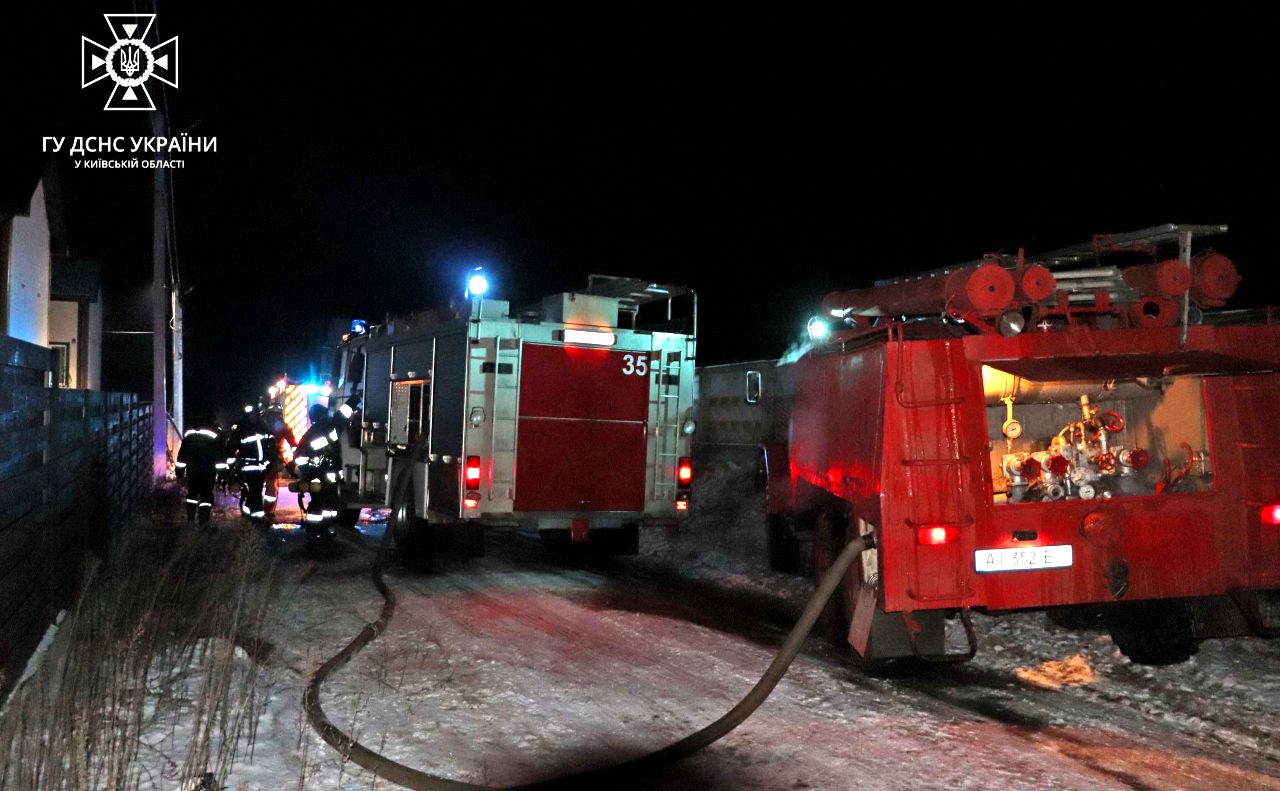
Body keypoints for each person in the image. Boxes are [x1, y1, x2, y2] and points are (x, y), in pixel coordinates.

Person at [233, 407, 278, 522]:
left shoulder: (264, 428)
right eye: (251, 415)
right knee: (254, 492)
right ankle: (256, 517)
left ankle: (250, 515)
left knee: (255, 491)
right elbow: (231, 448)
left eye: (254, 414)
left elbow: (272, 446)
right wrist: (233, 467)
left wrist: (271, 462)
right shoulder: (241, 430)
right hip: (247, 467)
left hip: (260, 468)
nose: (253, 417)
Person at [175, 419, 223, 525]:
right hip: (208, 471)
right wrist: (222, 475)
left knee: (192, 494)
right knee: (206, 496)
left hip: (193, 471)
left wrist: (179, 473)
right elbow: (220, 457)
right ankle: (203, 521)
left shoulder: (189, 436)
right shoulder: (215, 435)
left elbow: (182, 456)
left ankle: (190, 519)